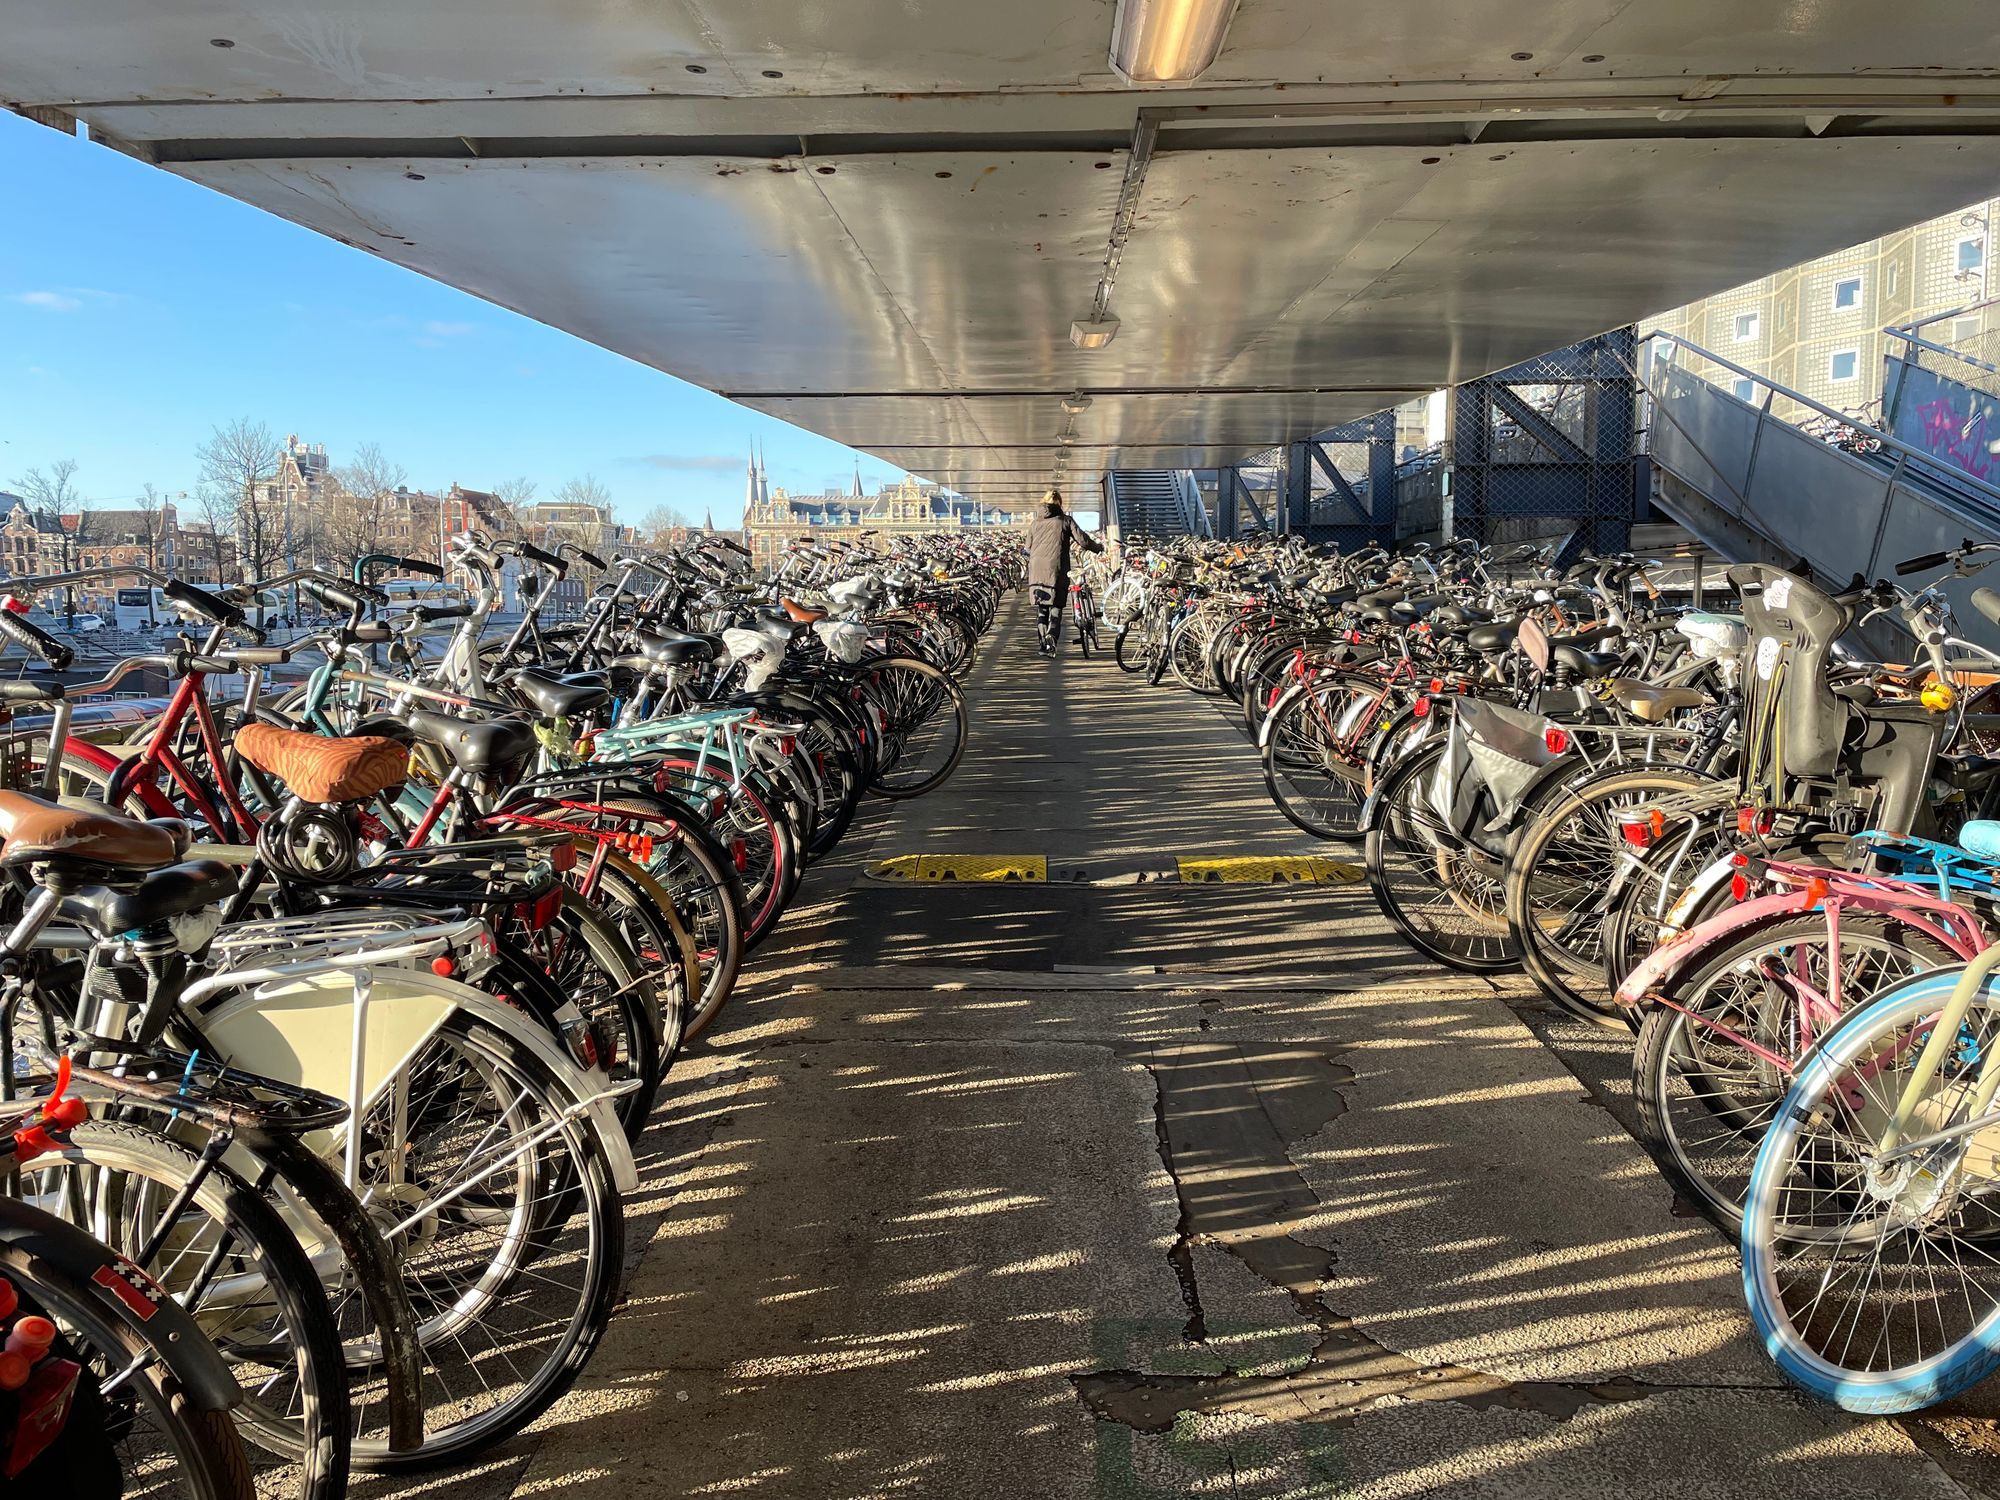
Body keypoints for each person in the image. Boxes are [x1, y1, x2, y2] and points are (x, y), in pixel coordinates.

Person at [1025, 489, 1102, 656]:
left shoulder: (1035, 523)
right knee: (1056, 605)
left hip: (1037, 568)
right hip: (1057, 567)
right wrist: (1098, 548)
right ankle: (1051, 638)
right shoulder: (1065, 520)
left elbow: (1028, 546)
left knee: (1042, 607)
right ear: (1060, 503)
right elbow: (1083, 540)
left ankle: (1043, 645)